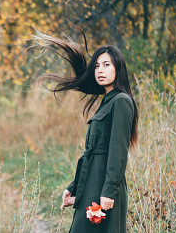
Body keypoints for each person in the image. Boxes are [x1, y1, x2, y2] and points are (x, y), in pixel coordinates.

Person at [34, 32, 139, 233]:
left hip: (105, 190)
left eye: (107, 65)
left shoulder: (121, 101)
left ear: (119, 68)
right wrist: (74, 187)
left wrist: (108, 192)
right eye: (97, 66)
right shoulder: (107, 101)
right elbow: (91, 156)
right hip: (92, 184)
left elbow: (117, 153)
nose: (100, 70)